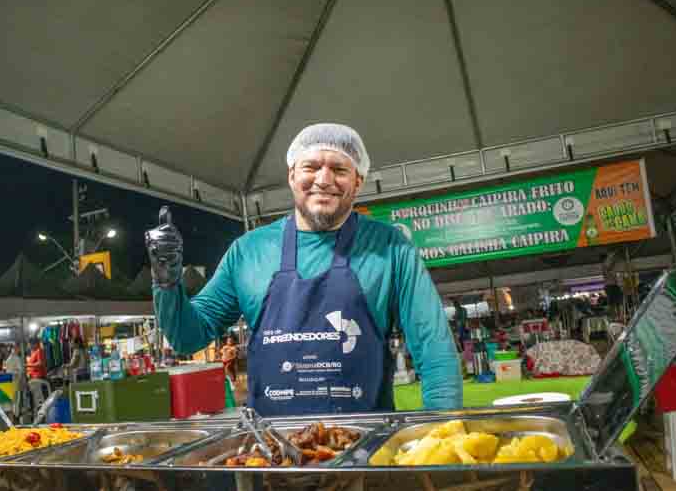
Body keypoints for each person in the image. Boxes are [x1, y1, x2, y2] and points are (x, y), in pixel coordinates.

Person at [147, 123, 462, 416]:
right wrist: (166, 283)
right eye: (311, 167)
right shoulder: (249, 251)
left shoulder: (391, 248)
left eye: (339, 169)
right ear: (292, 176)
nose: (324, 180)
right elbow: (188, 337)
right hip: (272, 454)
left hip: (367, 453)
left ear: (359, 180)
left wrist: (443, 431)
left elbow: (434, 349)